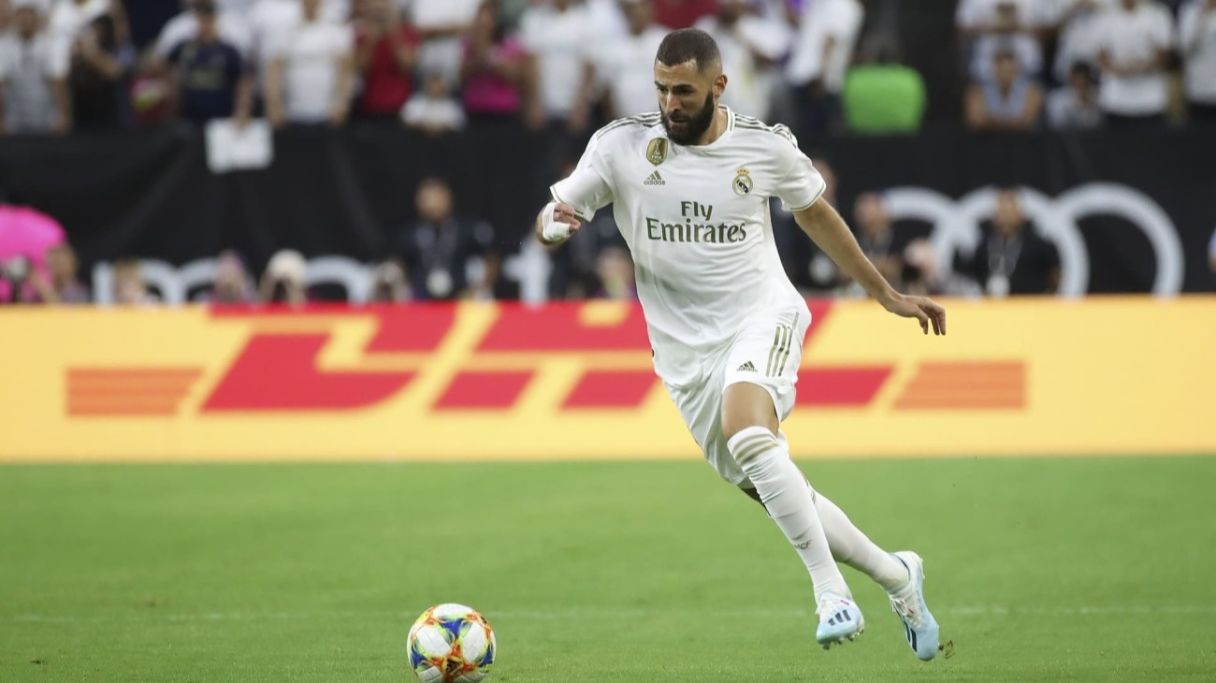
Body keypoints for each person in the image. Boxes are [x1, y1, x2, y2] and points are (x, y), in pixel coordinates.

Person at [536, 28, 945, 657]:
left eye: (685, 90)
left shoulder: (762, 146)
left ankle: (830, 592)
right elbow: (554, 210)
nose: (671, 103)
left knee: (751, 434)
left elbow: (815, 212)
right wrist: (552, 225)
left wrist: (883, 293)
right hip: (683, 356)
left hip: (763, 314)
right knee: (782, 492)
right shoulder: (619, 146)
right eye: (663, 89)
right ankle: (898, 576)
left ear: (718, 86)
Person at [965, 49, 1043, 131]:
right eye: (1003, 71)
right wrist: (1011, 123)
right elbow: (975, 120)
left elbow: (1029, 121)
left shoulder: (1031, 90)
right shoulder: (978, 91)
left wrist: (993, 122)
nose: (1006, 75)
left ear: (1017, 70)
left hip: (1021, 140)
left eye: (1010, 71)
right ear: (994, 69)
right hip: (986, 140)